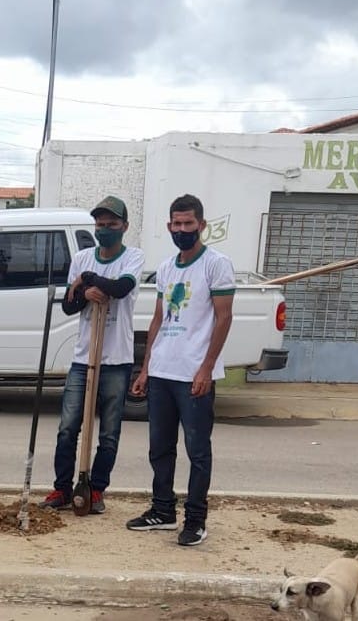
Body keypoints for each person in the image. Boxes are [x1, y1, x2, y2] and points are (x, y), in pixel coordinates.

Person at [127, 194, 234, 547]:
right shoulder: (167, 268)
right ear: (169, 226)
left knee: (198, 450)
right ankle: (162, 510)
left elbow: (223, 318)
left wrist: (205, 368)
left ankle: (196, 519)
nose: (183, 230)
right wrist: (146, 369)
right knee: (160, 446)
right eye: (177, 224)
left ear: (201, 225)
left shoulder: (216, 265)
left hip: (193, 375)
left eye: (189, 224)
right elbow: (159, 319)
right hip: (162, 372)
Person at [41, 196, 145, 514]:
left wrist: (87, 280)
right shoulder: (83, 256)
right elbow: (69, 305)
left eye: (111, 225)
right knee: (68, 427)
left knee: (109, 432)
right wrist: (85, 292)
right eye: (100, 225)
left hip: (117, 358)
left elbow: (121, 288)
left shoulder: (134, 258)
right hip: (83, 357)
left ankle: (95, 489)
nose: (105, 230)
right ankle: (62, 488)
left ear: (124, 227)